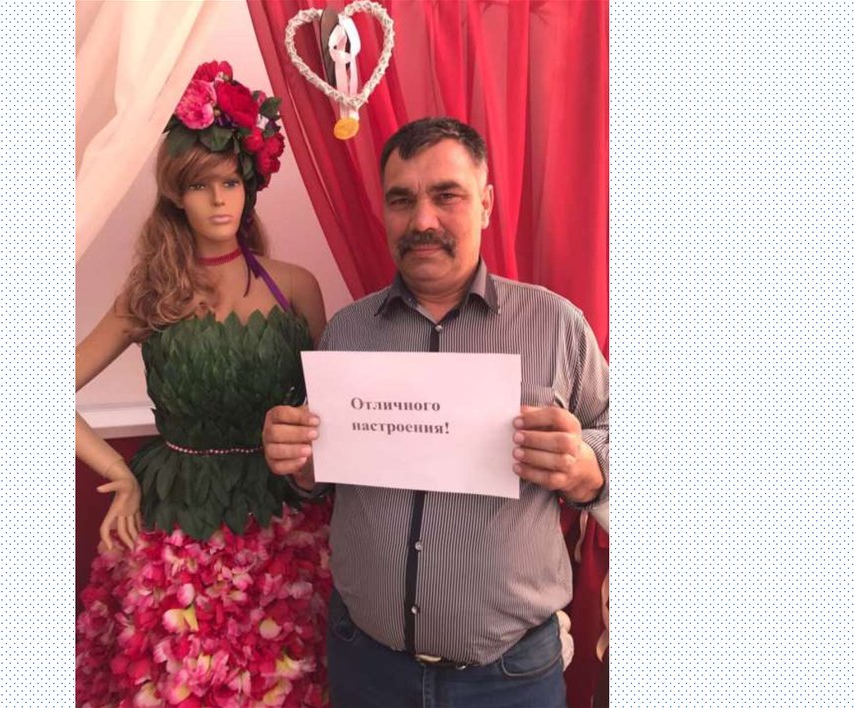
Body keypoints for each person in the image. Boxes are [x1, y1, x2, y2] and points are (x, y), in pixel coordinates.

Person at [262, 117, 609, 708]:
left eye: (447, 195)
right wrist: (301, 464)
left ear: (486, 204)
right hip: (367, 662)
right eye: (402, 200)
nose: (422, 220)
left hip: (509, 676)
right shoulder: (346, 332)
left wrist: (586, 469)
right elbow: (320, 479)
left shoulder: (557, 325)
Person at [75, 61, 332, 708]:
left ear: (248, 187)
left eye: (229, 182)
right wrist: (118, 471)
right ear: (176, 197)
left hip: (283, 520)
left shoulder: (295, 287)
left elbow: (334, 408)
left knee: (285, 684)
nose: (218, 199)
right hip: (175, 520)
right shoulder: (151, 294)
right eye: (199, 185)